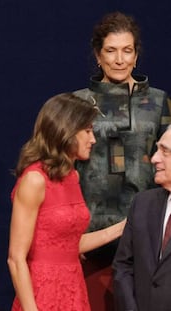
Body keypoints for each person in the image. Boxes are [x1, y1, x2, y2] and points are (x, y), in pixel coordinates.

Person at [73, 11, 171, 309]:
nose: (119, 59)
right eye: (111, 51)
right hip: (91, 238)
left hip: (149, 238)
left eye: (127, 51)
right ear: (97, 54)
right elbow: (64, 171)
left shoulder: (158, 101)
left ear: (136, 55)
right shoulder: (77, 104)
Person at [7, 93, 126, 311]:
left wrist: (122, 228)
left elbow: (69, 245)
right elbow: (16, 259)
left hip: (74, 289)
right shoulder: (34, 180)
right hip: (41, 294)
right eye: (88, 131)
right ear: (66, 131)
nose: (93, 140)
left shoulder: (73, 176)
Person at [113, 125, 171, 311]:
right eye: (156, 150)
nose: (154, 159)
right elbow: (123, 267)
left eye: (165, 152)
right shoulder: (142, 203)